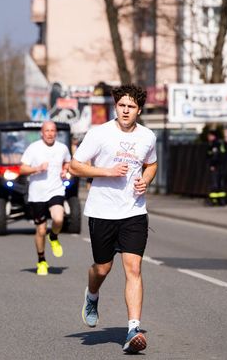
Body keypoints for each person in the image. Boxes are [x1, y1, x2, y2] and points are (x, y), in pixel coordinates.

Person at [69, 84, 157, 354]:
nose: (126, 110)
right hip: (102, 212)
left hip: (133, 212)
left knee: (134, 268)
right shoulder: (99, 134)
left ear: (139, 110)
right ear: (115, 107)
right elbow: (75, 166)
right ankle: (92, 295)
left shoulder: (148, 136)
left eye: (131, 106)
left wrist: (145, 180)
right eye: (122, 106)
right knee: (103, 268)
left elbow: (151, 164)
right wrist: (107, 172)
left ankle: (133, 330)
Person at [20, 121, 71, 276]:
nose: (50, 133)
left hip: (56, 190)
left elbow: (68, 162)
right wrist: (37, 168)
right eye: (47, 131)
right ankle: (41, 260)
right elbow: (22, 168)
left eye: (52, 130)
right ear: (42, 133)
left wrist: (65, 170)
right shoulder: (33, 148)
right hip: (38, 194)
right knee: (41, 230)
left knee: (58, 219)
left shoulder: (62, 148)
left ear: (56, 133)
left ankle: (53, 236)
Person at [205, 130, 227, 206]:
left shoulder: (215, 144)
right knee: (221, 183)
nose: (208, 137)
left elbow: (215, 156)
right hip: (222, 166)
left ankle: (214, 201)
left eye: (209, 136)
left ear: (213, 136)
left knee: (215, 183)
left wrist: (212, 165)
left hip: (217, 167)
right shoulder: (221, 143)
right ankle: (222, 200)